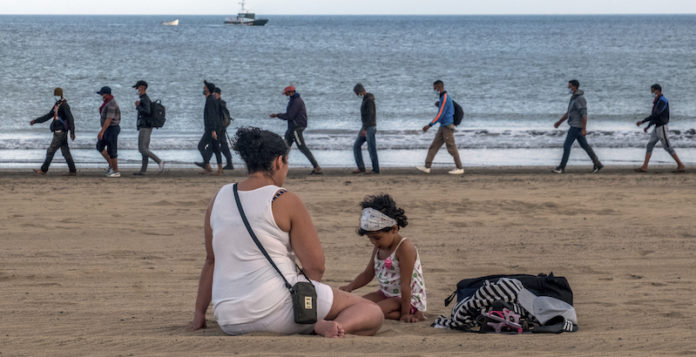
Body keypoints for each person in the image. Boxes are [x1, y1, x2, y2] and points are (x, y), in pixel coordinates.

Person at [191, 127, 384, 337]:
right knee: (370, 312)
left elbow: (211, 261)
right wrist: (308, 308)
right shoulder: (283, 199)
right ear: (278, 161)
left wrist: (199, 313)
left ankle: (312, 322)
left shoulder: (219, 198)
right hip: (275, 309)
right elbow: (315, 266)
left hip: (229, 318)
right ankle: (328, 325)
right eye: (287, 162)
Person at [340, 194, 427, 323]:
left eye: (377, 238)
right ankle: (402, 314)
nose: (373, 242)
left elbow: (405, 285)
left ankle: (413, 312)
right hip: (385, 294)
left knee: (371, 310)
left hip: (406, 298)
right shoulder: (380, 247)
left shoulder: (404, 248)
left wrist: (404, 314)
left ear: (394, 229)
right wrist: (349, 287)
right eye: (370, 238)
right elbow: (368, 274)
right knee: (357, 305)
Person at [552, 80, 603, 174]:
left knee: (566, 146)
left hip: (576, 127)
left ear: (575, 87)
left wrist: (584, 128)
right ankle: (598, 164)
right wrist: (559, 122)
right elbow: (568, 113)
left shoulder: (580, 99)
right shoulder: (573, 98)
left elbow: (584, 115)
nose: (569, 88)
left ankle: (561, 167)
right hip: (576, 126)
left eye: (570, 87)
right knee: (585, 146)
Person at [270, 86, 322, 175]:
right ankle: (278, 168)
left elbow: (290, 116)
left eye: (286, 93)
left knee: (302, 147)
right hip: (292, 128)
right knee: (284, 148)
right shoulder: (293, 100)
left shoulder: (296, 102)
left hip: (296, 128)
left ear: (291, 92)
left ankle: (316, 167)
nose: (285, 95)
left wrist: (277, 115)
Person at [635, 84, 686, 173]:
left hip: (662, 127)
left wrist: (643, 122)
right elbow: (655, 116)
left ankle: (680, 165)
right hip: (657, 127)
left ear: (657, 90)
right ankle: (644, 167)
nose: (652, 93)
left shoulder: (663, 100)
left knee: (667, 147)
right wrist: (648, 126)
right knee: (650, 145)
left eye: (652, 91)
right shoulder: (657, 100)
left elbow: (655, 114)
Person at [416, 80, 464, 175]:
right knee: (433, 146)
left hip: (447, 127)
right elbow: (445, 110)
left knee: (451, 148)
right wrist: (439, 105)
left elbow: (440, 114)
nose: (434, 89)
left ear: (439, 86)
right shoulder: (442, 98)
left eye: (435, 87)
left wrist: (429, 125)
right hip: (443, 127)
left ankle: (459, 168)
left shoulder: (445, 98)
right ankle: (427, 167)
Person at [30, 88, 77, 176]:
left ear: (61, 95)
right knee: (65, 152)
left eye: (57, 95)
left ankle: (43, 170)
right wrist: (36, 121)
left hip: (60, 132)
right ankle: (73, 171)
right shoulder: (57, 105)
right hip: (59, 132)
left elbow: (70, 118)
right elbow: (48, 116)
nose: (56, 96)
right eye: (55, 95)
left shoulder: (64, 105)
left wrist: (72, 132)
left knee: (50, 151)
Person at [133, 80, 164, 176]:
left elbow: (147, 111)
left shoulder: (145, 98)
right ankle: (143, 170)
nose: (136, 89)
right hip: (146, 126)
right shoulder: (144, 98)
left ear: (142, 87)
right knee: (144, 148)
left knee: (142, 149)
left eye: (137, 87)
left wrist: (138, 106)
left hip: (146, 127)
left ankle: (159, 161)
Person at [195, 80, 223, 175]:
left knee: (201, 146)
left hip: (211, 129)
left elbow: (212, 116)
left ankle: (207, 165)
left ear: (208, 90)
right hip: (214, 128)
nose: (203, 88)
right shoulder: (212, 99)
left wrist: (213, 130)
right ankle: (219, 169)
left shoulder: (210, 100)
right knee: (215, 148)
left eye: (205, 87)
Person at [352, 83, 379, 174]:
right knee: (356, 146)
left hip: (370, 127)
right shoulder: (365, 99)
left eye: (357, 93)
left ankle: (376, 169)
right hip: (366, 126)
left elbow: (370, 115)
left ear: (361, 91)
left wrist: (365, 128)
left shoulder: (369, 100)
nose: (357, 95)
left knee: (371, 148)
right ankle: (361, 167)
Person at [96, 86, 121, 178]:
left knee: (112, 150)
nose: (101, 96)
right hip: (107, 129)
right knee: (99, 146)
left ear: (107, 94)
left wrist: (102, 131)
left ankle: (116, 171)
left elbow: (108, 119)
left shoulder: (111, 104)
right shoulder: (106, 102)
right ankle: (111, 165)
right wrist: (103, 130)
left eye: (102, 94)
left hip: (112, 128)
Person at [213, 87, 234, 170]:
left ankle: (228, 164)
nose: (214, 95)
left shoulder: (220, 103)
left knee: (221, 145)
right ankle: (229, 163)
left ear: (218, 94)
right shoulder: (221, 102)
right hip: (220, 127)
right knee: (223, 145)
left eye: (215, 94)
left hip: (220, 128)